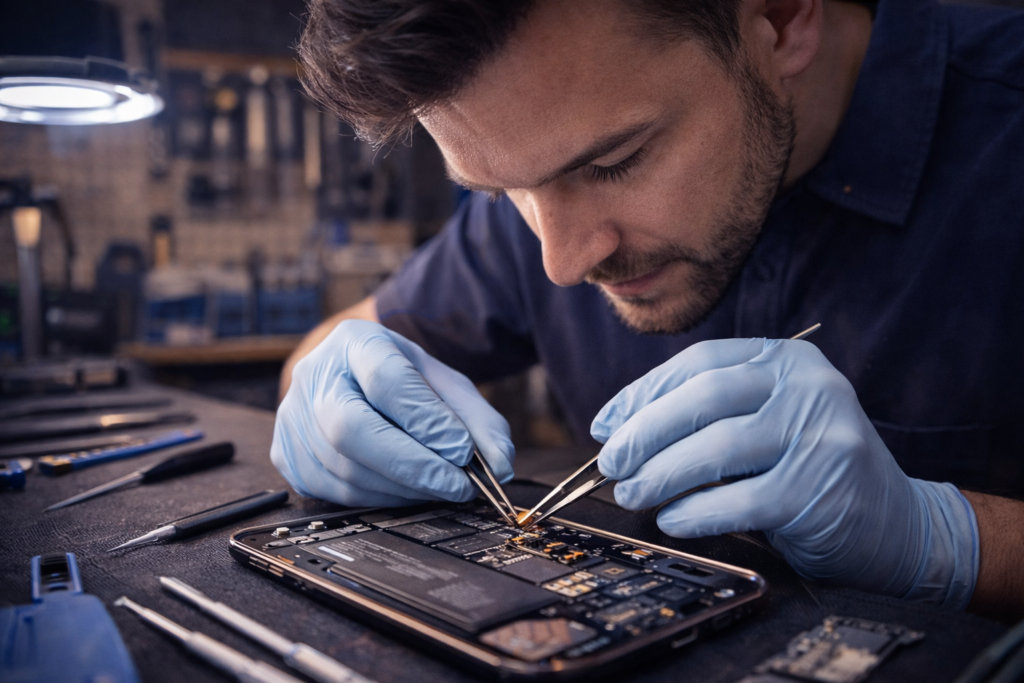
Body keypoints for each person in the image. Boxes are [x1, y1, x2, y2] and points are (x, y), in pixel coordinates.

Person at [272, 0, 1024, 621]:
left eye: (612, 163)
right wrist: (331, 403)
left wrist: (949, 540)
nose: (561, 262)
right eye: (498, 192)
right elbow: (331, 353)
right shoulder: (540, 165)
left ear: (782, 20)